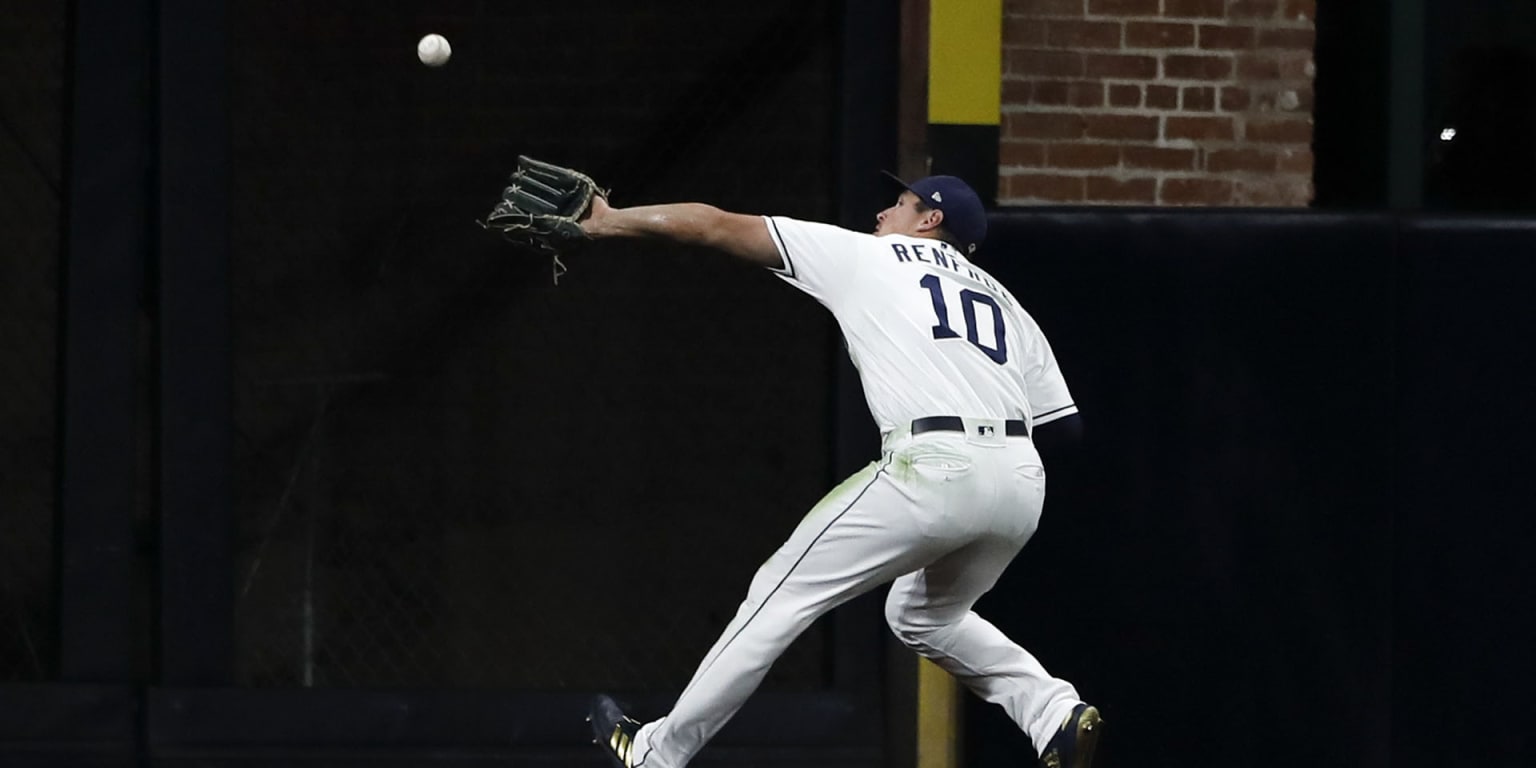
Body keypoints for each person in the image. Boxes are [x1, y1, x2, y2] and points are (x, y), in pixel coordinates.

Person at [579, 170, 1100, 768]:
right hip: (1020, 481)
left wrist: (610, 220)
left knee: (779, 592)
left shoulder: (869, 256)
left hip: (932, 464)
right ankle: (1053, 712)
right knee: (925, 616)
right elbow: (1065, 428)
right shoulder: (1006, 302)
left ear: (930, 220)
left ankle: (657, 753)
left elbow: (714, 225)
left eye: (900, 203)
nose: (883, 212)